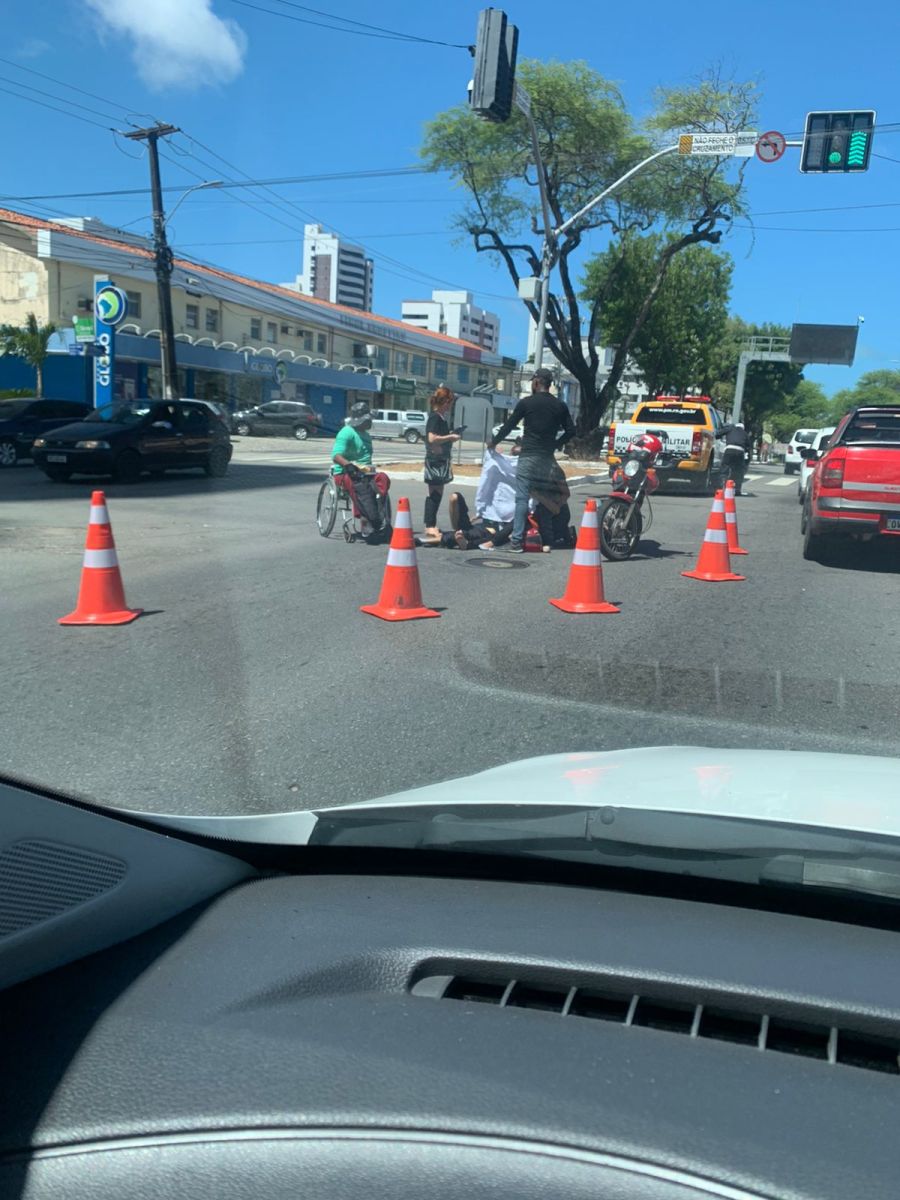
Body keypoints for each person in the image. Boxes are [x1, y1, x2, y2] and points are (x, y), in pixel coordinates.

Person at [488, 367, 576, 553]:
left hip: (528, 457)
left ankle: (517, 542)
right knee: (544, 499)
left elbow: (508, 426)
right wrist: (555, 445)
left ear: (536, 382)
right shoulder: (560, 406)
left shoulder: (526, 403)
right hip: (546, 460)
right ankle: (547, 538)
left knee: (522, 499)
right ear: (550, 384)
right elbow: (571, 431)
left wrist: (493, 443)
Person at [330, 402, 391, 543]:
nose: (370, 422)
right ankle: (365, 519)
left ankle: (378, 514)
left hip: (365, 473)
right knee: (359, 485)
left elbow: (367, 460)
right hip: (345, 472)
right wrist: (349, 465)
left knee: (383, 478)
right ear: (360, 420)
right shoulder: (346, 432)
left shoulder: (366, 436)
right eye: (368, 419)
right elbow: (336, 456)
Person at [422, 385, 462, 544]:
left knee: (437, 493)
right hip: (435, 461)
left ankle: (431, 524)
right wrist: (449, 437)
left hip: (441, 460)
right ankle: (429, 525)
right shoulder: (435, 417)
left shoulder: (441, 418)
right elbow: (431, 438)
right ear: (444, 402)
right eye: (449, 402)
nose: (450, 406)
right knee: (434, 494)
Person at [719, 420, 752, 495]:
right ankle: (737, 489)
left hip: (729, 450)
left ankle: (723, 484)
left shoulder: (730, 429)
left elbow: (718, 434)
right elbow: (748, 446)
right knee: (739, 471)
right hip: (740, 452)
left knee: (725, 468)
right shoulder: (745, 433)